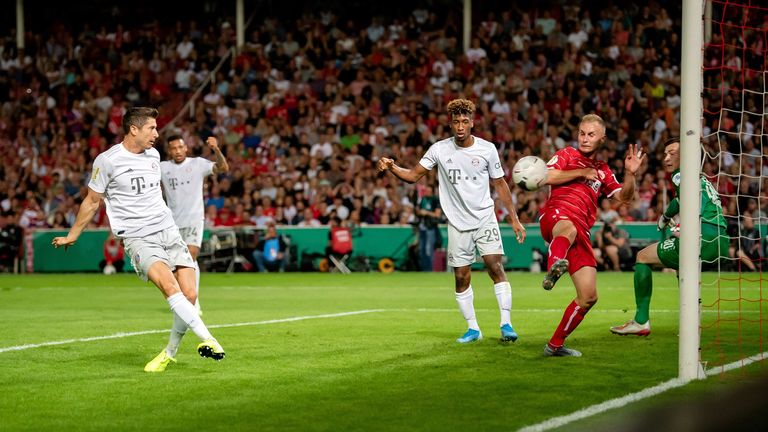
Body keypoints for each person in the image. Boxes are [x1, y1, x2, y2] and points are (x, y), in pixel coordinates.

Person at [52, 107, 225, 372]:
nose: (156, 134)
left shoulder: (154, 156)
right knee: (170, 287)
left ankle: (169, 353)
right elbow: (91, 201)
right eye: (151, 128)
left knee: (190, 294)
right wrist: (73, 235)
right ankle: (208, 339)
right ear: (134, 129)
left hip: (168, 229)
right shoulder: (107, 160)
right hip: (138, 237)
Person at [377, 98, 526, 343]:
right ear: (450, 123)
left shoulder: (487, 149)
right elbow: (414, 175)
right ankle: (473, 329)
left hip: (484, 217)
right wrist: (393, 167)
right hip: (457, 222)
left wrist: (514, 218)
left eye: (464, 121)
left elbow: (500, 184)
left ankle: (506, 324)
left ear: (472, 123)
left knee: (494, 265)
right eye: (456, 121)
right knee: (461, 276)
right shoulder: (439, 149)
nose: (460, 126)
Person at [539, 113, 644, 357]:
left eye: (591, 135)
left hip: (581, 233)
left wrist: (631, 174)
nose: (585, 139)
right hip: (557, 217)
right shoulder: (566, 154)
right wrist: (581, 173)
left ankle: (554, 346)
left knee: (588, 297)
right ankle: (554, 266)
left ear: (602, 139)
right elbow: (546, 176)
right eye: (582, 133)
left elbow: (625, 198)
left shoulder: (603, 171)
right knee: (569, 226)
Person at [611, 137, 729, 336]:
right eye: (665, 153)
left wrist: (688, 227)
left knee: (642, 256)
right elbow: (681, 199)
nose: (666, 158)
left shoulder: (680, 174)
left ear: (687, 155)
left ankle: (640, 322)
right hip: (721, 239)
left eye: (672, 153)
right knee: (680, 268)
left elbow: (695, 204)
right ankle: (692, 320)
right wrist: (665, 216)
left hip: (702, 235)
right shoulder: (700, 178)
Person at [160, 134, 229, 314]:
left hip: (194, 219)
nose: (177, 151)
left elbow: (223, 167)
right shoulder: (162, 168)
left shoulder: (197, 164)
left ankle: (193, 300)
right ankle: (184, 297)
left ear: (186, 148)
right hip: (172, 223)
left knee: (190, 256)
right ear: (169, 151)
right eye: (173, 148)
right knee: (176, 264)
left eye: (180, 147)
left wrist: (216, 149)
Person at [416, 184, 442, 271]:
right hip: (422, 227)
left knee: (429, 250)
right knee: (421, 249)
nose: (426, 192)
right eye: (426, 190)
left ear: (432, 191)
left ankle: (429, 269)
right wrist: (420, 212)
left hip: (431, 227)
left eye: (428, 191)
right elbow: (419, 211)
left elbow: (437, 215)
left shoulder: (435, 200)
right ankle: (423, 269)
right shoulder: (423, 199)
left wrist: (426, 213)